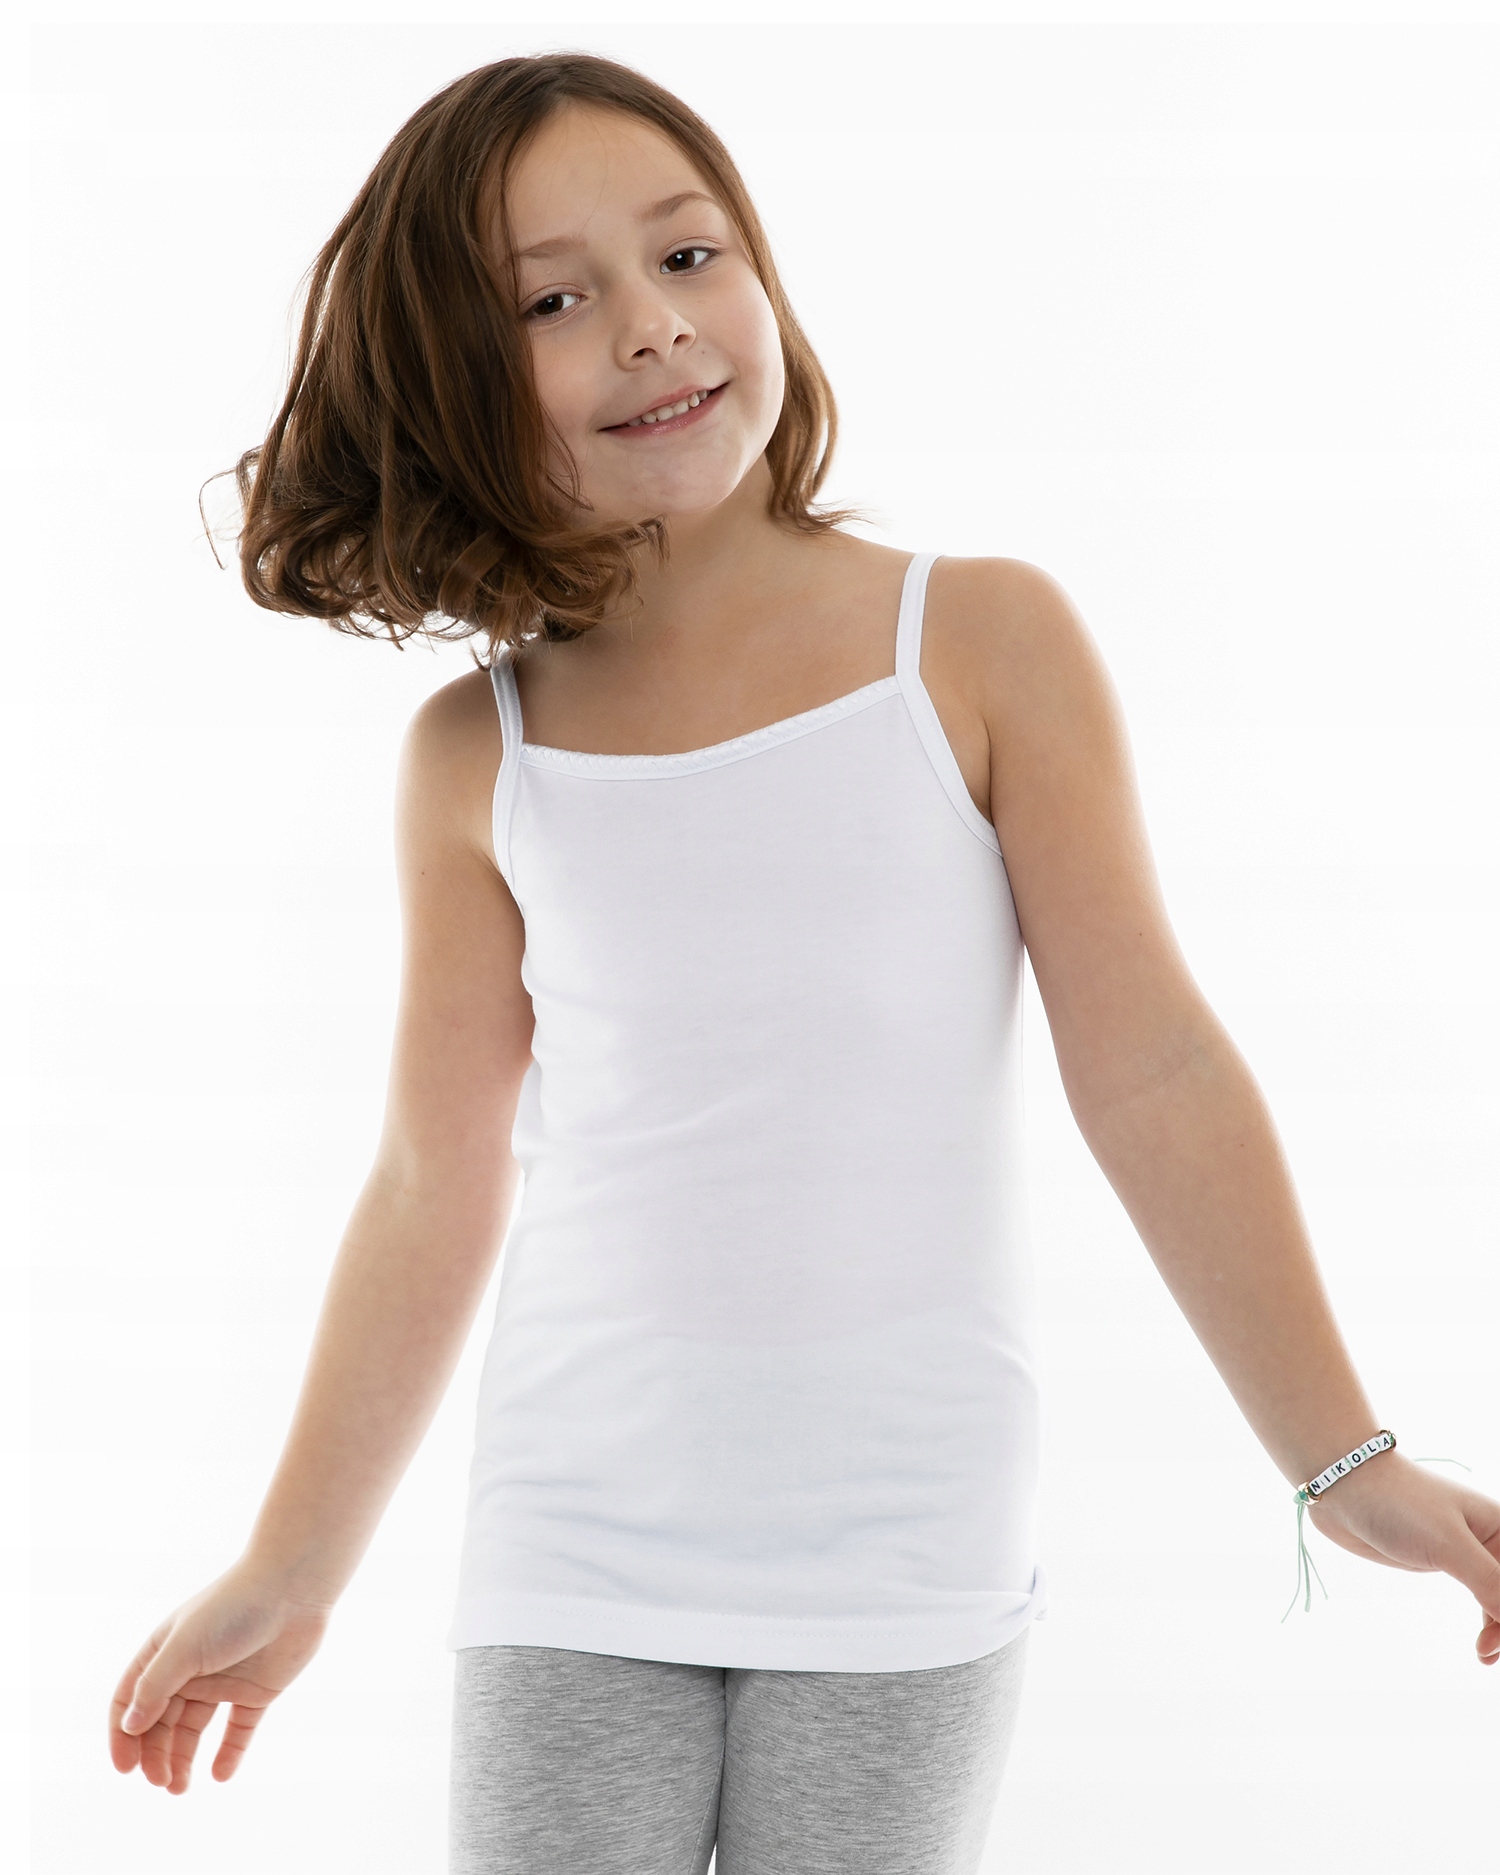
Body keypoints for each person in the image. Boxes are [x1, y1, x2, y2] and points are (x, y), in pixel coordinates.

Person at [107, 51, 1500, 1875]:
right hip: (572, 1552)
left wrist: (1340, 1460)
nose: (651, 327)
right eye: (551, 300)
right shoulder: (476, 754)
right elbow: (430, 1183)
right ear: (451, 375)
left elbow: (1152, 1071)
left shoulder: (976, 644)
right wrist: (290, 1570)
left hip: (901, 1558)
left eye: (688, 256)